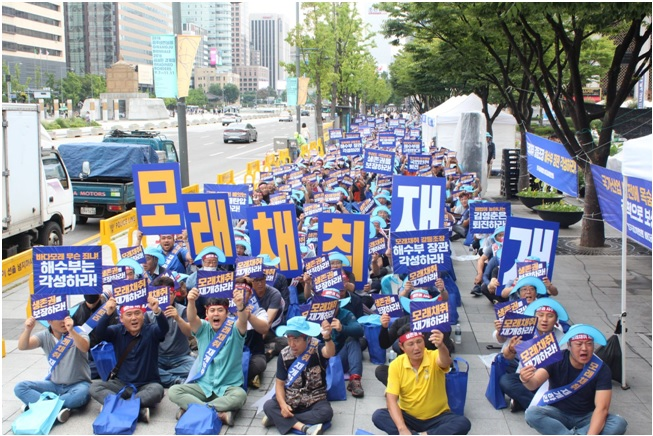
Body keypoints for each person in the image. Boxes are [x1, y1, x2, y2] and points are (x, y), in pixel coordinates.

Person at [521, 324, 628, 435]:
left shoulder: (601, 368)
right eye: (579, 344)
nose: (584, 348)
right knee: (532, 414)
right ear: (569, 345)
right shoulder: (556, 358)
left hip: (586, 416)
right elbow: (534, 383)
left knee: (618, 423)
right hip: (557, 413)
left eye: (589, 344)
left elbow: (602, 408)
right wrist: (525, 379)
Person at [168, 285, 250, 426]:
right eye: (212, 310)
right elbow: (192, 318)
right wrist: (191, 301)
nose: (216, 314)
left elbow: (243, 321)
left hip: (228, 387)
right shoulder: (203, 328)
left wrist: (240, 306)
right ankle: (218, 412)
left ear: (226, 313)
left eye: (220, 310)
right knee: (174, 391)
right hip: (203, 386)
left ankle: (193, 409)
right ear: (207, 313)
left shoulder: (235, 329)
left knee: (240, 396)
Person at [372, 330, 472, 435]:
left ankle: (421, 434)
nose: (416, 347)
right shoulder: (396, 365)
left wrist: (441, 346)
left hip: (438, 417)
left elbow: (446, 361)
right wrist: (402, 429)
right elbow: (391, 400)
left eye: (419, 341)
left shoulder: (433, 355)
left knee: (463, 423)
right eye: (410, 344)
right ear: (402, 347)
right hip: (408, 417)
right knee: (379, 416)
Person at [89, 296, 169, 423]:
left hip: (147, 384)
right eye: (129, 314)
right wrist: (108, 312)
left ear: (143, 316)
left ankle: (115, 406)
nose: (134, 318)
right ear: (121, 319)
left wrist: (157, 311)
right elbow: (100, 333)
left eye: (137, 313)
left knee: (157, 390)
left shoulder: (151, 330)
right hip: (122, 383)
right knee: (94, 387)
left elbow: (164, 329)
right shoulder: (116, 331)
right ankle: (136, 410)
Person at [262, 316, 335, 435]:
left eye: (296, 339)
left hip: (315, 399)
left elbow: (330, 352)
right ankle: (303, 428)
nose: (292, 344)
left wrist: (327, 338)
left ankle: (279, 419)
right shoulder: (284, 354)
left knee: (326, 413)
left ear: (306, 338)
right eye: (289, 339)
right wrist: (283, 405)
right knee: (269, 405)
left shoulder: (316, 348)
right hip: (291, 398)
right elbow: (279, 384)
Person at [15, 315, 91, 424]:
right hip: (54, 385)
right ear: (49, 321)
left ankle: (40, 406)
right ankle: (58, 408)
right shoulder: (44, 335)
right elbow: (22, 346)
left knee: (83, 394)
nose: (63, 322)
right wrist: (28, 329)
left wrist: (72, 331)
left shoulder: (78, 332)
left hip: (78, 384)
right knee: (20, 387)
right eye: (59, 319)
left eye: (66, 317)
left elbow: (85, 347)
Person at [499, 298, 569, 412]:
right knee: (505, 381)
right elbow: (507, 357)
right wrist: (511, 349)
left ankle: (528, 404)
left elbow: (562, 368)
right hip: (525, 377)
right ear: (534, 316)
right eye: (540, 315)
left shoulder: (562, 339)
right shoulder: (525, 331)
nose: (544, 320)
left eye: (550, 316)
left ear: (556, 319)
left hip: (548, 381)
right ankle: (539, 407)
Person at [147, 276, 194, 387]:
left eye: (170, 293)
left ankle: (163, 377)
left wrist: (178, 318)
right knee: (144, 366)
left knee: (197, 367)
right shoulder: (147, 314)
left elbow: (190, 333)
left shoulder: (183, 310)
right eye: (161, 293)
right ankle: (176, 380)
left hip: (181, 357)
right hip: (158, 358)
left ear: (174, 294)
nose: (167, 296)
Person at [71, 293, 119, 379]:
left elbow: (114, 334)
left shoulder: (109, 309)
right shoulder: (77, 309)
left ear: (100, 294)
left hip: (102, 352)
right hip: (82, 351)